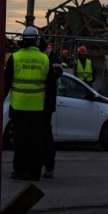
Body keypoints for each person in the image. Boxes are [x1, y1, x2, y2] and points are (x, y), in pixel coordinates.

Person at [4, 25, 50, 181]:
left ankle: (20, 171)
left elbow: (6, 83)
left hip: (19, 107)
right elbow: (50, 86)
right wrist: (49, 107)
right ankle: (35, 172)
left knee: (20, 142)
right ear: (37, 41)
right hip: (37, 108)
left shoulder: (15, 58)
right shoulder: (44, 59)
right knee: (36, 142)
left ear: (23, 40)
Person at [39, 38, 64, 178]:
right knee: (40, 134)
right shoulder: (44, 54)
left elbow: (58, 71)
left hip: (44, 102)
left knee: (44, 133)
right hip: (36, 101)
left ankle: (47, 165)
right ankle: (39, 164)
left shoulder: (49, 54)